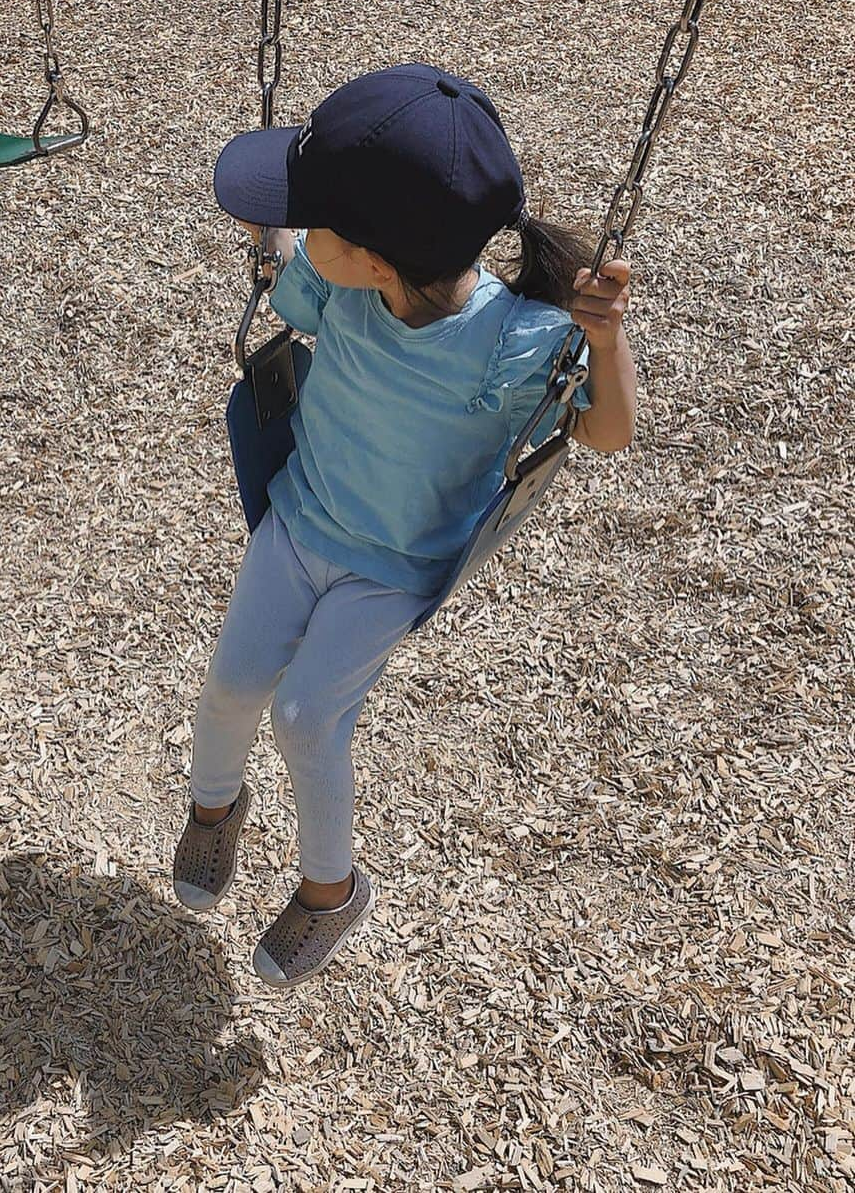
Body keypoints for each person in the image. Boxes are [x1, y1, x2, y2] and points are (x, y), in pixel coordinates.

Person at [173, 64, 637, 988]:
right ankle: (216, 811)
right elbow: (289, 292)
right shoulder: (341, 285)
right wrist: (270, 245)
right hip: (301, 520)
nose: (305, 236)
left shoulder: (516, 345)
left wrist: (608, 337)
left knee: (307, 718)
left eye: (316, 224)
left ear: (378, 256)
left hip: (392, 570)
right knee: (229, 688)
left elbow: (608, 435)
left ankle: (329, 892)